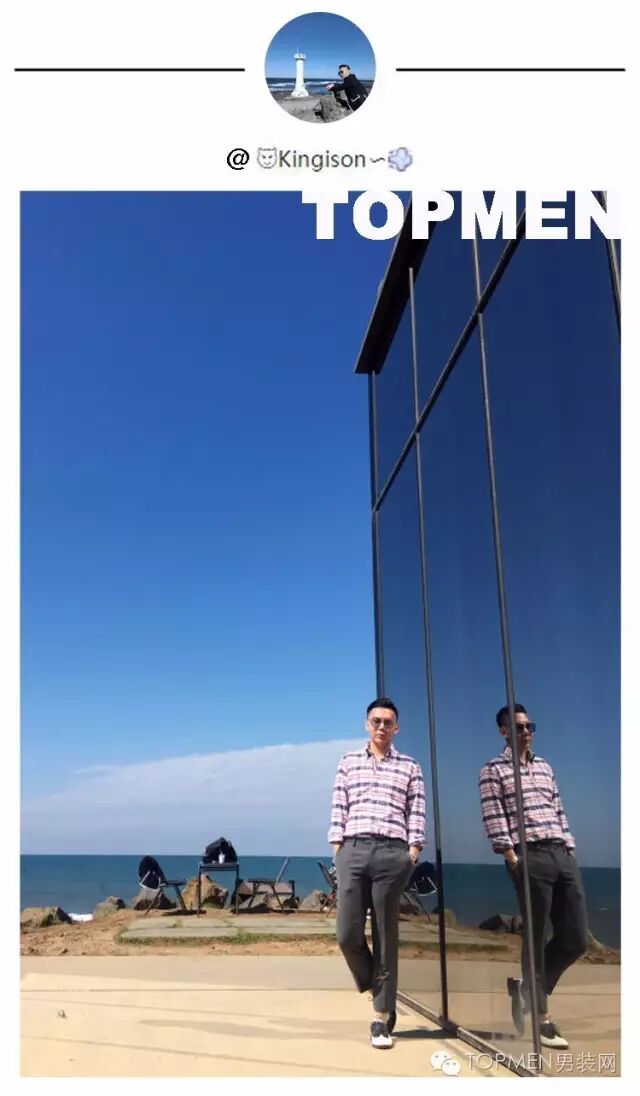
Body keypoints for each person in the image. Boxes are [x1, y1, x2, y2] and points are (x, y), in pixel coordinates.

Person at [479, 703, 588, 1050]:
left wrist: (569, 847)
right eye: (518, 727)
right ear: (504, 732)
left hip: (560, 853)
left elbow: (559, 809)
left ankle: (526, 987)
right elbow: (494, 817)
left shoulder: (545, 767)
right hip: (529, 857)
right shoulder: (493, 770)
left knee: (575, 939)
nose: (526, 732)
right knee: (536, 937)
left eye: (529, 726)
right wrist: (512, 857)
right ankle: (543, 1019)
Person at [328, 697, 426, 1048]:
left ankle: (381, 1018)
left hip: (392, 853)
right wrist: (338, 849)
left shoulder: (410, 766)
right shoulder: (348, 761)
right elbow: (339, 805)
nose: (382, 726)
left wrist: (412, 852)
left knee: (386, 935)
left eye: (388, 722)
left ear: (396, 727)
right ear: (366, 724)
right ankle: (378, 985)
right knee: (346, 934)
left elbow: (417, 811)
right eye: (376, 721)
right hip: (353, 850)